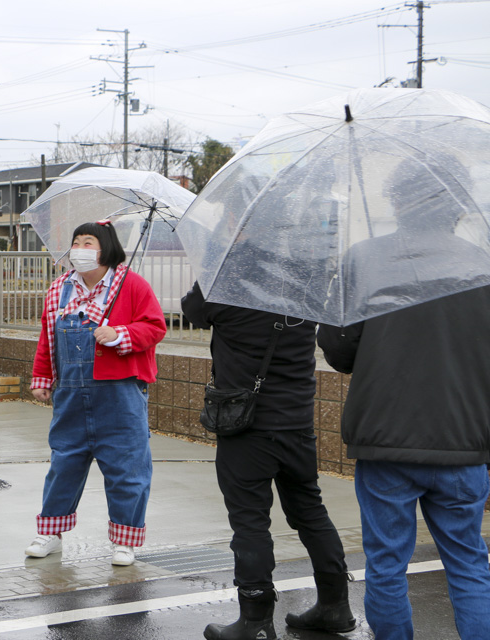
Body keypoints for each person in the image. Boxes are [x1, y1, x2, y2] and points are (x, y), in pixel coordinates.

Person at [318, 163, 490, 639]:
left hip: (385, 439)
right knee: (469, 562)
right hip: (463, 437)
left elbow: (338, 351)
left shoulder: (366, 259)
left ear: (396, 202)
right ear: (459, 206)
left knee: (387, 564)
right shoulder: (483, 264)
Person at [182, 283, 353, 640]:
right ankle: (335, 605)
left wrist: (213, 265)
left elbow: (193, 310)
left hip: (247, 428)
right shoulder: (304, 286)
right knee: (310, 511)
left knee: (250, 523)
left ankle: (256, 621)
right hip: (297, 423)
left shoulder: (229, 285)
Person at [26, 220, 166, 566]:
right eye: (76, 241)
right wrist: (42, 377)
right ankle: (51, 532)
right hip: (71, 393)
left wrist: (120, 334)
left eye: (88, 242)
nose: (80, 248)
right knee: (64, 463)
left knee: (126, 466)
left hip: (120, 394)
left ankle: (125, 540)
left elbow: (155, 326)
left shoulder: (131, 285)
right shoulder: (60, 289)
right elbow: (48, 338)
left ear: (106, 248)